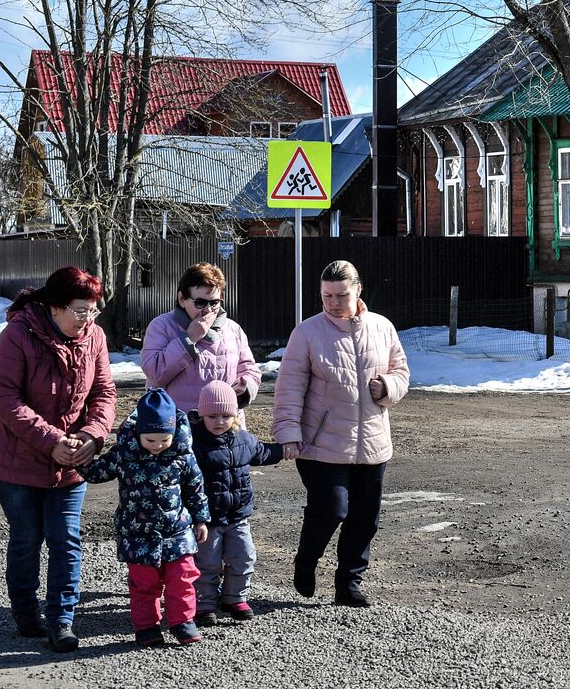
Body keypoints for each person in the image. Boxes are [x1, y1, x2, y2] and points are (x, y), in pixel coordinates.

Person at [0, 266, 116, 652]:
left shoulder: (95, 337)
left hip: (71, 462)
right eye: (80, 311)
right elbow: (5, 398)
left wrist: (93, 435)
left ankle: (62, 621)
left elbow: (105, 393)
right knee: (27, 538)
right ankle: (26, 613)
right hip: (16, 464)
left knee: (66, 540)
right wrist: (52, 439)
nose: (87, 319)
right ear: (54, 307)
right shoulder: (18, 334)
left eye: (93, 311)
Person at [272, 260, 409, 607]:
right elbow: (288, 389)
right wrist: (287, 432)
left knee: (365, 518)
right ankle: (306, 560)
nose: (333, 302)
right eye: (326, 295)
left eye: (341, 295)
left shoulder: (382, 327)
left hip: (373, 442)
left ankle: (348, 583)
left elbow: (402, 372)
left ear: (358, 290)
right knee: (331, 509)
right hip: (319, 444)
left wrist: (387, 387)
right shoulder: (307, 332)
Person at [80, 388, 211, 647]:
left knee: (182, 578)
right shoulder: (124, 456)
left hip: (177, 532)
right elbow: (96, 472)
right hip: (138, 533)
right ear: (138, 433)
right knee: (143, 584)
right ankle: (147, 627)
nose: (158, 446)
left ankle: (182, 622)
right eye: (150, 440)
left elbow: (196, 489)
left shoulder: (183, 456)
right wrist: (76, 460)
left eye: (164, 440)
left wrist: (201, 519)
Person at [189, 380, 283, 627]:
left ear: (235, 415)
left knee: (244, 556)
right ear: (201, 415)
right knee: (207, 562)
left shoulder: (243, 440)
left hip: (238, 516)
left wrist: (285, 449)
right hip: (208, 520)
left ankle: (234, 598)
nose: (219, 421)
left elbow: (263, 452)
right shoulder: (193, 444)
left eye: (226, 415)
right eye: (212, 416)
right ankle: (205, 604)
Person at [141, 262, 259, 414]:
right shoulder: (161, 326)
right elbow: (155, 373)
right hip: (179, 426)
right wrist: (189, 339)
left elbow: (250, 370)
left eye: (215, 303)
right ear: (182, 299)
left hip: (225, 425)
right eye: (200, 303)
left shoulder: (233, 329)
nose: (208, 310)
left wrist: (246, 387)